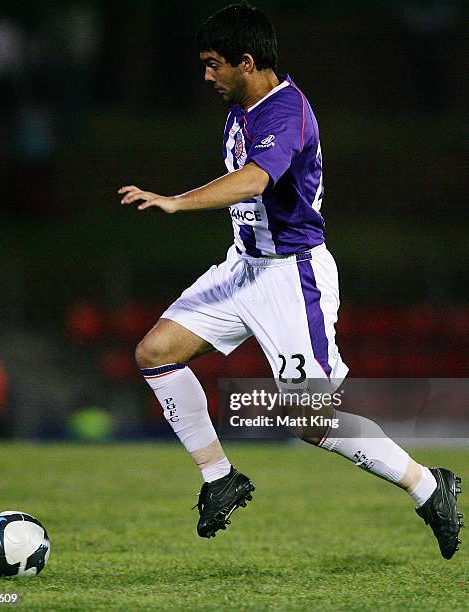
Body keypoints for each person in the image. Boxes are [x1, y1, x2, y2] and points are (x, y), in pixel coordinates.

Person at [118, 2, 462, 557]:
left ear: (246, 62)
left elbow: (255, 178)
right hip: (244, 266)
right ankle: (219, 477)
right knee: (155, 351)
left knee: (311, 422)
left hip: (291, 276)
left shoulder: (285, 112)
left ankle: (429, 486)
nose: (206, 76)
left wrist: (177, 203)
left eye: (213, 64)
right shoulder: (241, 104)